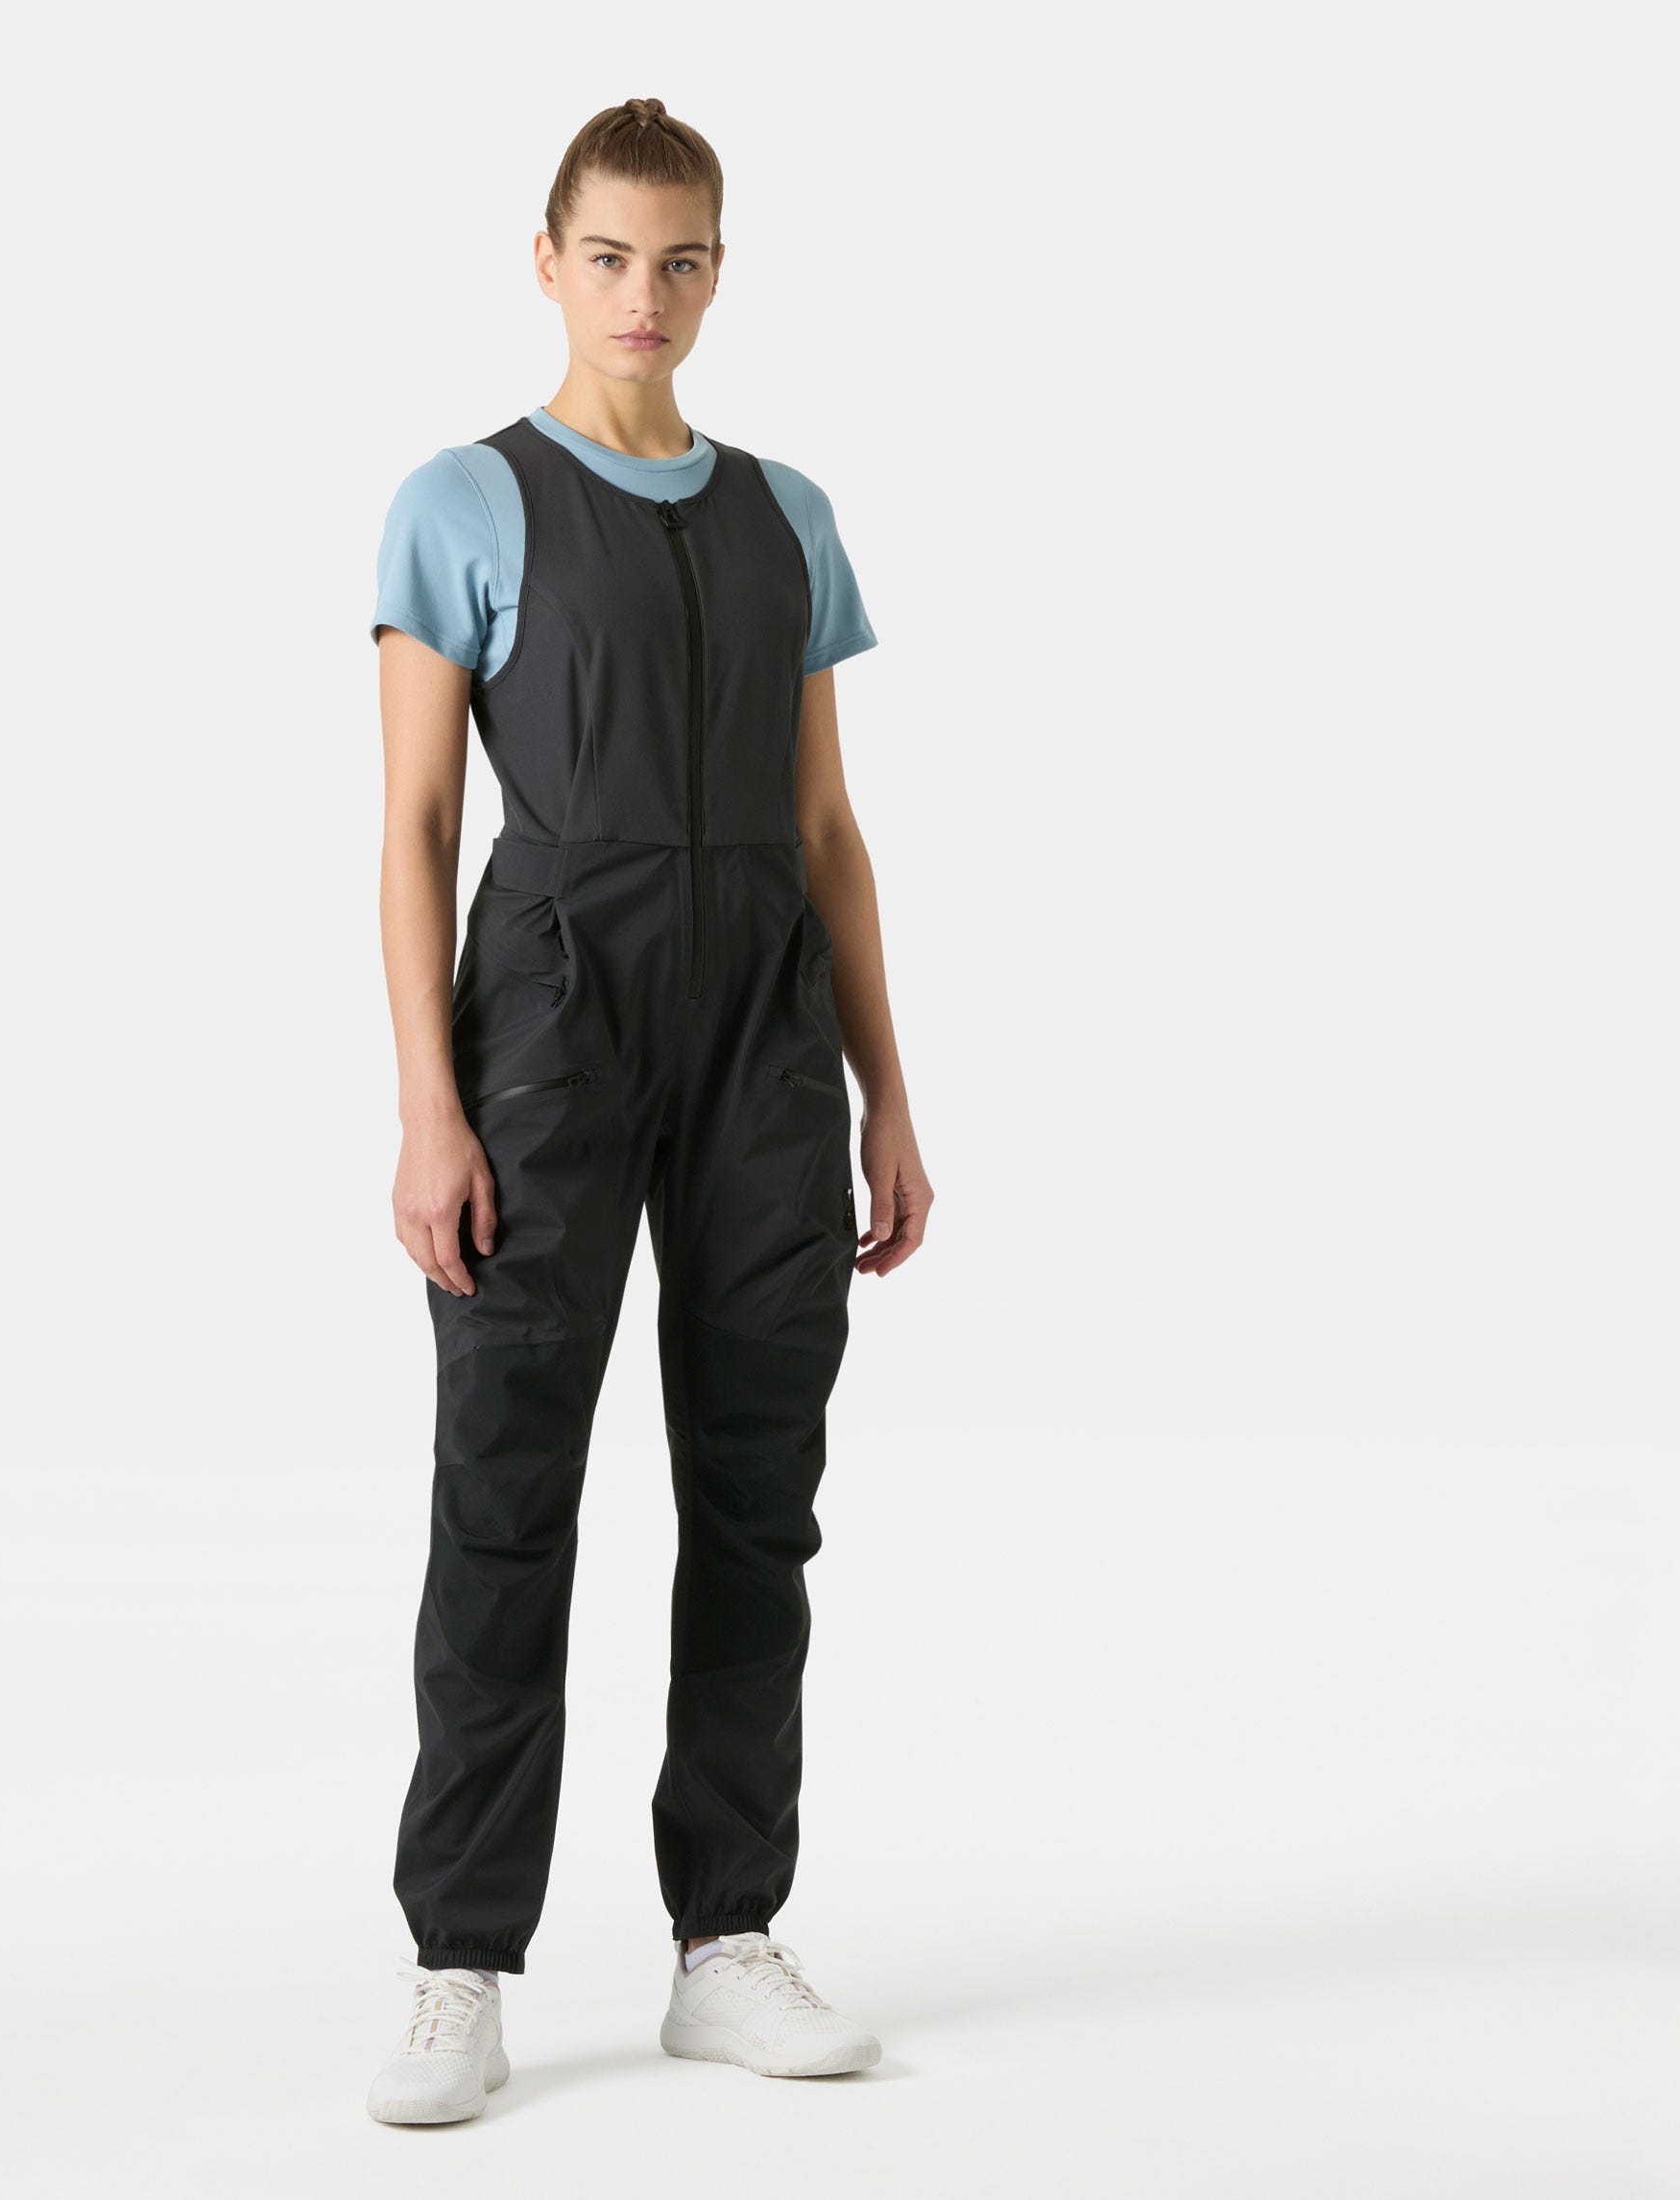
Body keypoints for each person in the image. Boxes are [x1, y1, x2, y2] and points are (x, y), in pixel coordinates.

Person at [365, 96, 932, 2125]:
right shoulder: (463, 500)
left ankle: (725, 1941)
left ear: (717, 272)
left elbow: (826, 824)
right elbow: (418, 823)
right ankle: (460, 1959)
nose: (644, 295)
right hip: (550, 1015)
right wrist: (431, 1106)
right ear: (549, 262)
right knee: (507, 1479)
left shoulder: (788, 514)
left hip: (764, 1024)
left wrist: (889, 1091)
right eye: (608, 256)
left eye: (680, 260)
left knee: (760, 1484)